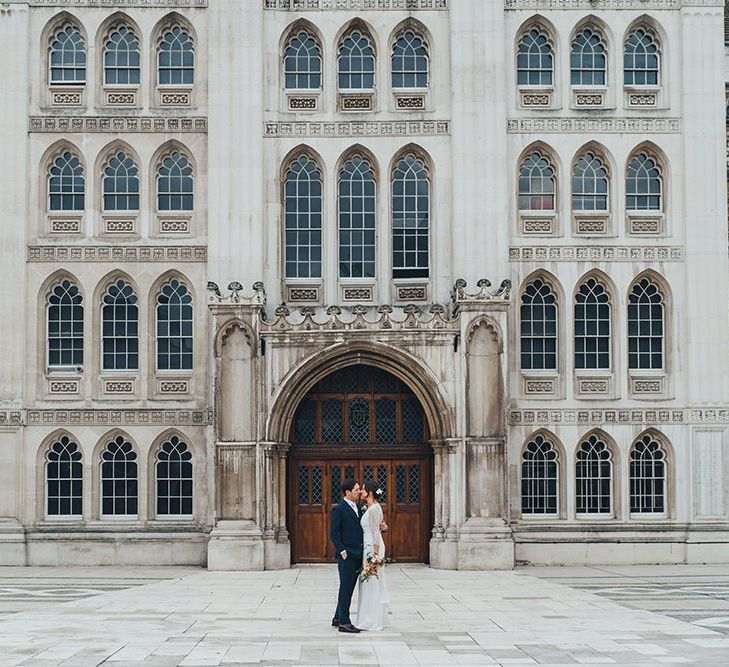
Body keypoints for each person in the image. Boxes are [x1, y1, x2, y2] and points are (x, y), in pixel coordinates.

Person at [355, 480, 390, 631]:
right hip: (368, 546)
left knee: (371, 582)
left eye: (363, 489)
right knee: (367, 583)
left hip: (372, 548)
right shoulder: (368, 508)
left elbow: (376, 534)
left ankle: (371, 620)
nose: (361, 492)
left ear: (369, 493)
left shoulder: (375, 508)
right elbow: (380, 526)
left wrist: (375, 557)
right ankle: (366, 617)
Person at [329, 478, 364, 633]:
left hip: (359, 553)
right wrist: (342, 551)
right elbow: (334, 533)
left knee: (348, 588)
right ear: (347, 492)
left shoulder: (359, 507)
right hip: (347, 554)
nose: (359, 491)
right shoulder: (339, 509)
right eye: (356, 489)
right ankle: (344, 622)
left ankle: (337, 617)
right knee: (346, 588)